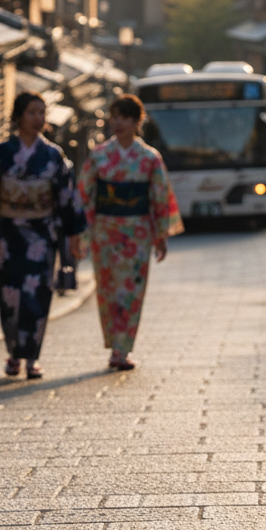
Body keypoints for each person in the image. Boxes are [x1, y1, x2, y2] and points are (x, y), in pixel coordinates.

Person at [0, 93, 85, 380]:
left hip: (42, 237)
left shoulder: (53, 155)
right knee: (8, 295)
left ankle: (32, 358)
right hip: (8, 235)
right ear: (18, 116)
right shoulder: (1, 153)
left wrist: (74, 234)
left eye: (42, 113)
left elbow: (67, 196)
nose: (38, 118)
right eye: (32, 112)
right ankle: (13, 352)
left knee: (38, 295)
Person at [79, 94, 184, 370]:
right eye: (115, 117)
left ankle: (122, 349)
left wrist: (161, 235)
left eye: (126, 117)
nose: (119, 123)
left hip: (137, 232)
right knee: (108, 288)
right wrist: (81, 234)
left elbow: (159, 197)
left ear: (138, 122)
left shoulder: (149, 157)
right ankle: (114, 343)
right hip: (105, 230)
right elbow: (84, 194)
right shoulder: (99, 155)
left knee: (132, 290)